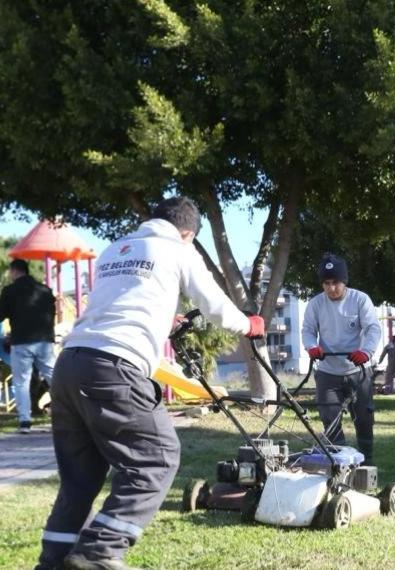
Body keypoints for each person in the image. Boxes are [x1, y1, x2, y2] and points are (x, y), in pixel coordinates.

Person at [36, 197, 264, 570]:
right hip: (114, 366)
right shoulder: (178, 250)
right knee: (156, 458)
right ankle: (100, 551)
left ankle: (53, 561)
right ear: (187, 233)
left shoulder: (114, 250)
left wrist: (162, 315)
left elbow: (122, 301)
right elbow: (216, 307)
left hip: (70, 363)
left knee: (79, 479)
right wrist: (249, 324)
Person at [301, 253, 382, 464]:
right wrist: (312, 347)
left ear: (344, 281)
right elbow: (308, 330)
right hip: (328, 370)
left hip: (358, 370)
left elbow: (373, 329)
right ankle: (341, 462)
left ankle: (368, 462)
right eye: (326, 283)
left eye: (335, 282)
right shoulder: (316, 304)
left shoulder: (360, 300)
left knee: (364, 418)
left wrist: (366, 351)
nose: (331, 288)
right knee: (330, 419)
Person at [0, 258, 57, 433]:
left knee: (21, 382)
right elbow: (52, 313)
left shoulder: (10, 291)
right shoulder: (45, 290)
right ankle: (67, 415)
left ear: (14, 271)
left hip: (21, 341)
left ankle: (25, 422)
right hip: (44, 340)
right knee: (54, 378)